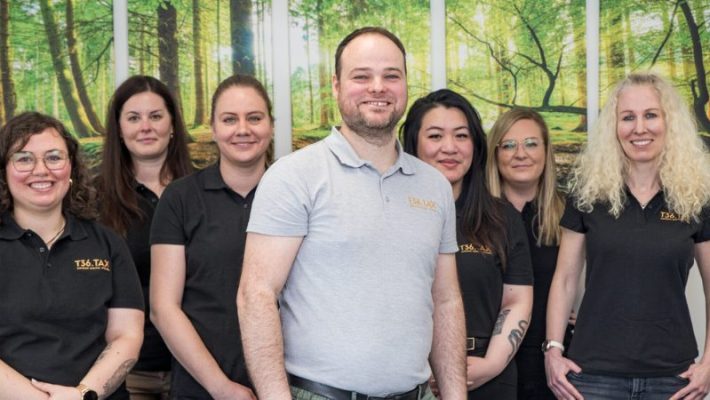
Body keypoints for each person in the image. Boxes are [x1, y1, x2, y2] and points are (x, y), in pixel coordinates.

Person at [237, 27, 467, 399]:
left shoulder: (435, 186)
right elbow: (256, 294)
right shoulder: (294, 175)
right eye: (361, 76)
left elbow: (446, 300)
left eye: (391, 76)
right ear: (336, 85)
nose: (378, 87)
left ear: (405, 84)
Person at [545, 72, 710, 400]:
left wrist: (709, 363)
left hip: (673, 378)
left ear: (669, 121)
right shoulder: (588, 193)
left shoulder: (697, 196)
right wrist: (553, 350)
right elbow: (564, 280)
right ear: (614, 127)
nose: (639, 128)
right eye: (628, 117)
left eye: (651, 115)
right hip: (592, 377)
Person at [0, 111, 144, 400]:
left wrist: (81, 394)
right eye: (24, 159)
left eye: (54, 157)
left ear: (72, 169)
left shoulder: (108, 244)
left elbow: (127, 336)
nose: (41, 170)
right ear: (4, 171)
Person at [401, 89, 533, 399]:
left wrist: (491, 364)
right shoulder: (394, 214)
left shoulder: (502, 217)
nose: (450, 147)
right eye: (435, 136)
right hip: (411, 378)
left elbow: (516, 299)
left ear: (475, 144)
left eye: (461, 136)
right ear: (414, 144)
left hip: (490, 374)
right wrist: (427, 368)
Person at [150, 74, 272, 400]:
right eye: (229, 119)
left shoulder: (295, 195)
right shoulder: (180, 198)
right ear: (214, 129)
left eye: (254, 118)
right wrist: (221, 387)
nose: (242, 129)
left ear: (271, 125)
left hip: (287, 387)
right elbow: (163, 308)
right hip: (201, 388)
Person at [97, 75, 193, 399]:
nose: (146, 127)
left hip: (201, 368)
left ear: (173, 124)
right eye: (134, 118)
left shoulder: (203, 192)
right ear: (119, 128)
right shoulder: (93, 200)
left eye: (155, 116)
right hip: (128, 373)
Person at [485, 108, 567, 400]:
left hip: (552, 365)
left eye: (531, 143)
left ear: (546, 151)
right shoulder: (476, 217)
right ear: (495, 154)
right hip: (487, 364)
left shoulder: (570, 216)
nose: (521, 154)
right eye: (508, 145)